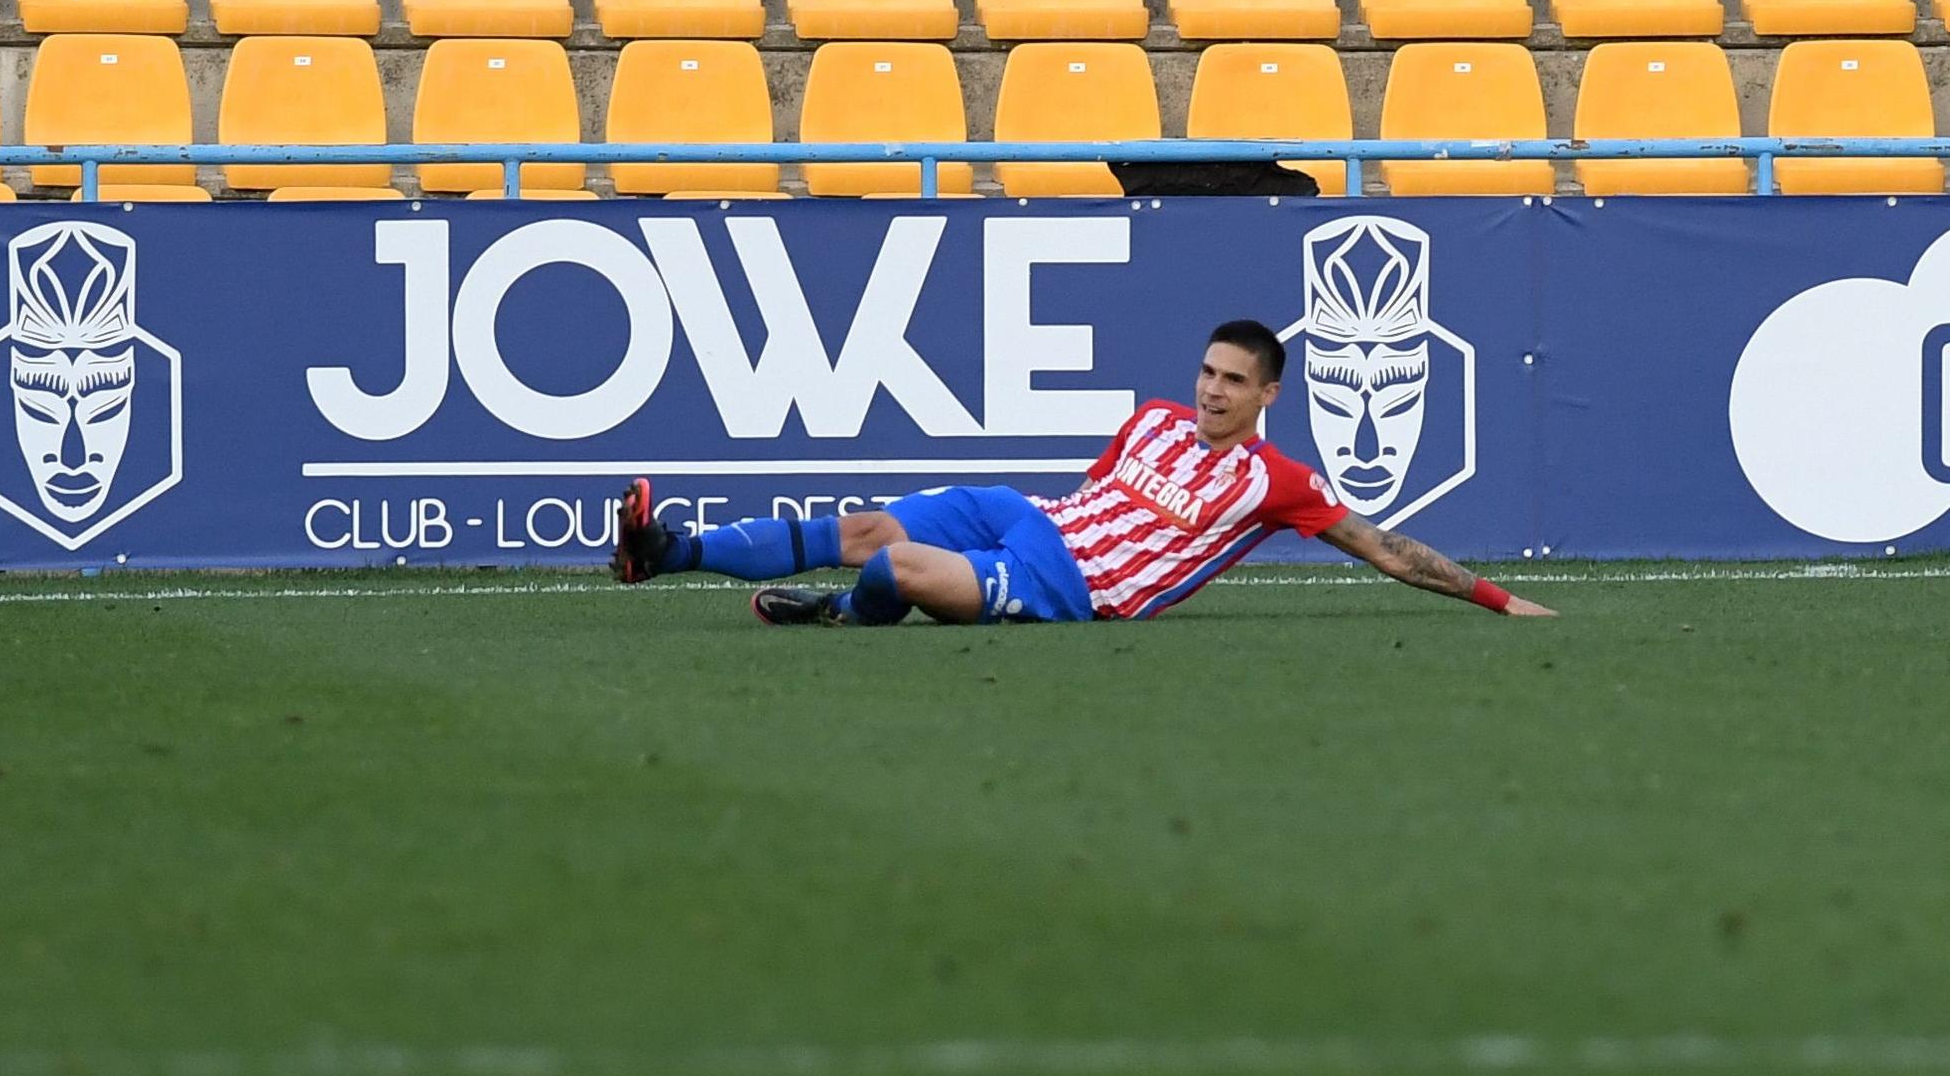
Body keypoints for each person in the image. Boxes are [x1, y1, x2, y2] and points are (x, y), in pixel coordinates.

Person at [611, 320, 1556, 624]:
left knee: (890, 571)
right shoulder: (1150, 417)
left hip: (1071, 585)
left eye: (1234, 382)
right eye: (1208, 373)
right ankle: (665, 550)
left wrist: (1498, 599)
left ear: (1268, 393)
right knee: (864, 527)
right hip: (1033, 519)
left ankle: (837, 617)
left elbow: (1382, 548)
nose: (1212, 391)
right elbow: (1098, 493)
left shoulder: (1280, 483)